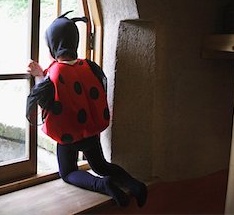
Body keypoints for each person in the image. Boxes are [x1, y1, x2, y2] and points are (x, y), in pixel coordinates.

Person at [26, 12, 147, 208]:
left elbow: (44, 100)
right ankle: (136, 185)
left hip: (69, 137)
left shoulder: (54, 74)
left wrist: (39, 75)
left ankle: (102, 184)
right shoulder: (88, 66)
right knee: (101, 165)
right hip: (91, 132)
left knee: (68, 173)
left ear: (53, 46)